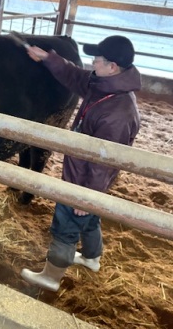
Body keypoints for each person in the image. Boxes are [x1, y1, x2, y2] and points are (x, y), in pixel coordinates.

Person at [21, 35, 142, 292]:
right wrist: (48, 58)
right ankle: (91, 258)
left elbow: (105, 163)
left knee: (67, 221)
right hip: (89, 173)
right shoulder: (106, 84)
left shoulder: (117, 114)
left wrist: (85, 196)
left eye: (97, 60)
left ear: (112, 66)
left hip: (86, 178)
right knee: (89, 217)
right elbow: (75, 76)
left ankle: (51, 277)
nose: (92, 63)